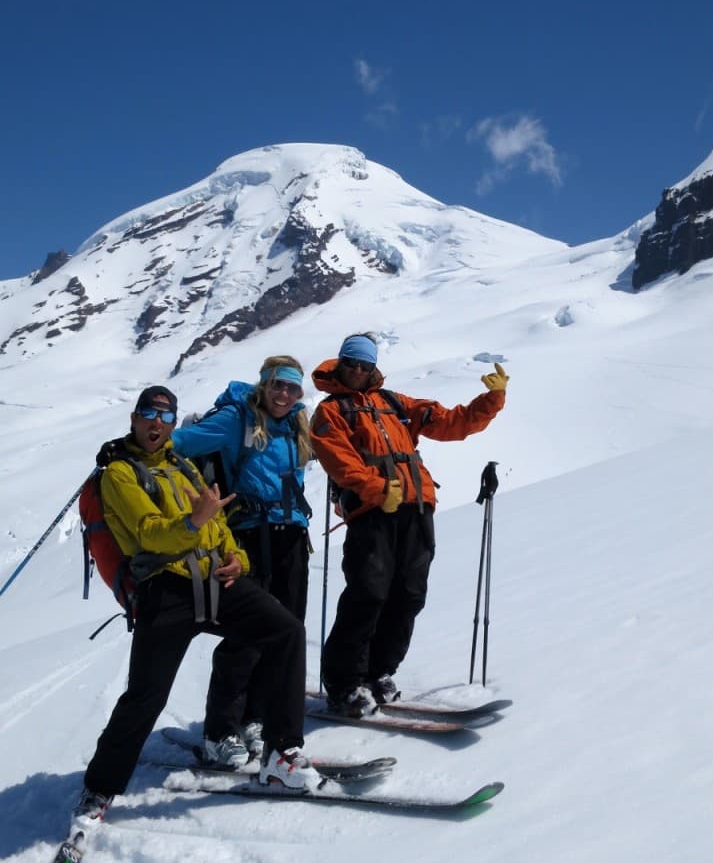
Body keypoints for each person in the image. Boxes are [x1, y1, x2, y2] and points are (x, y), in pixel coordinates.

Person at [73, 385, 319, 831]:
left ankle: (281, 753)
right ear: (134, 418)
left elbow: (220, 524)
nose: (158, 423)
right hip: (165, 590)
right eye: (149, 413)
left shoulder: (182, 466)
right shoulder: (120, 475)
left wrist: (237, 560)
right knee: (147, 695)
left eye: (166, 417)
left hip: (213, 579)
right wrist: (195, 520)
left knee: (284, 630)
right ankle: (99, 788)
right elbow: (149, 534)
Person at [310, 333, 508, 717]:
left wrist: (491, 400)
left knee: (409, 595)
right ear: (340, 364)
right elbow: (340, 463)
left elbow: (452, 424)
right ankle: (344, 684)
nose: (358, 370)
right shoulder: (330, 413)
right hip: (373, 511)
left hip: (417, 507)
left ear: (373, 369)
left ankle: (379, 673)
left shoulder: (395, 404)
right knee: (368, 593)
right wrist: (379, 489)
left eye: (365, 365)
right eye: (351, 363)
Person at [171, 358, 312, 757]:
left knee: (287, 632)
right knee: (247, 635)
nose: (284, 395)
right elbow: (181, 444)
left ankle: (257, 717)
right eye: (278, 386)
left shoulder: (297, 426)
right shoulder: (238, 421)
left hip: (292, 537)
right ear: (264, 386)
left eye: (292, 389)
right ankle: (221, 731)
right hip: (247, 537)